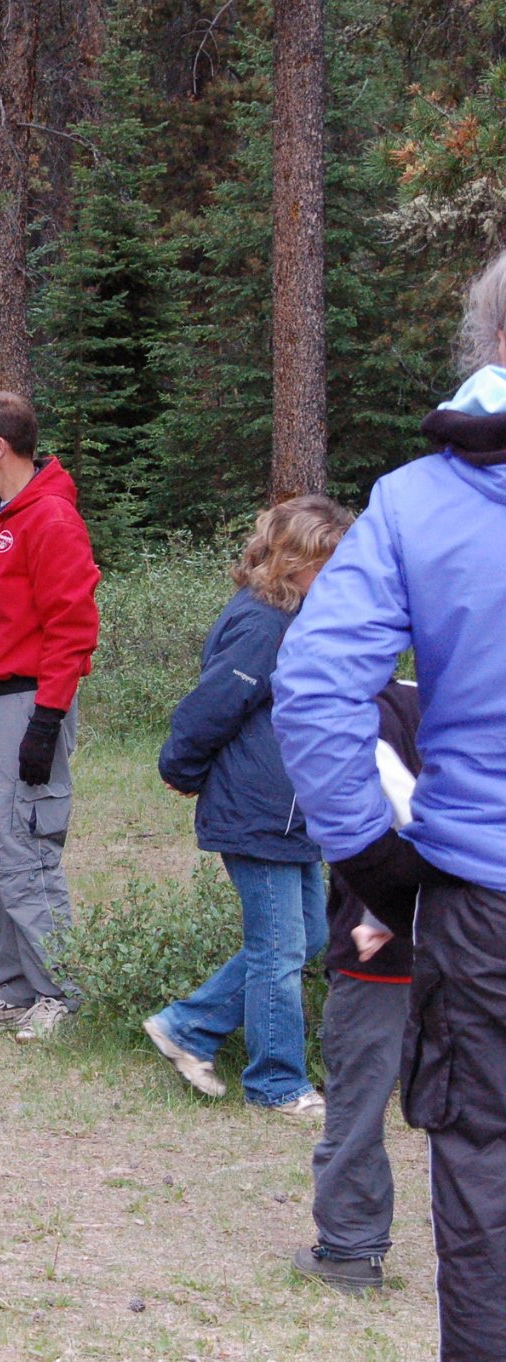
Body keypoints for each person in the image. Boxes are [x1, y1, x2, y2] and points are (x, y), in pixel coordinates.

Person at [271, 252, 506, 1358]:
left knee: (485, 1169)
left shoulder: (419, 502)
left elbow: (315, 690)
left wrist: (373, 860)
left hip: (480, 900)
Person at [146, 496, 355, 1118]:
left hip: (292, 810)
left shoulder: (294, 616)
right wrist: (180, 768)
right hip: (258, 809)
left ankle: (188, 1025)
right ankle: (277, 1082)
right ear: (294, 559)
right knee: (279, 949)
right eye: (328, 564)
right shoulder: (264, 623)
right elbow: (213, 705)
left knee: (307, 935)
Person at [0, 391, 101, 1043]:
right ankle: (16, 990)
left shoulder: (52, 518)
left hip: (31, 705)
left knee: (26, 849)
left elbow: (72, 629)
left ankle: (61, 993)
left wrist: (46, 720)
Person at [293, 680, 420, 1295]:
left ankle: (350, 1247)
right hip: (472, 941)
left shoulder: (355, 716)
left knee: (358, 1105)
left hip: (382, 954)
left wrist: (383, 912)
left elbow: (408, 813)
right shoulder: (459, 704)